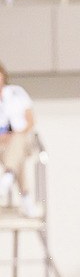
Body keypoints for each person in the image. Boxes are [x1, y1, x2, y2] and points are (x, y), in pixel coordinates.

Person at [0, 62, 36, 217]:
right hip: (3, 142)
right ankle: (25, 196)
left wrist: (15, 135)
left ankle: (8, 176)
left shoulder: (16, 92)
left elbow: (30, 121)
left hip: (21, 138)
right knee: (16, 160)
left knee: (17, 144)